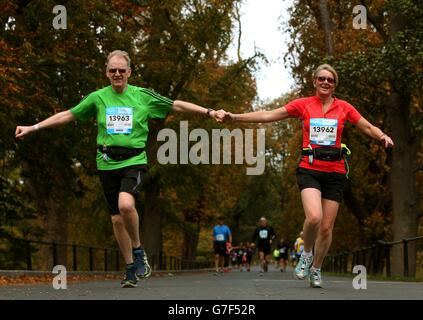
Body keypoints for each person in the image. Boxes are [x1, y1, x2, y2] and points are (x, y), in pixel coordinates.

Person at [15, 50, 222, 288]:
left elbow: (176, 105)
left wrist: (208, 111)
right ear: (106, 73)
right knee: (116, 219)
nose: (117, 74)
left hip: (133, 161)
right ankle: (130, 268)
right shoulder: (97, 98)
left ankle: (137, 250)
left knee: (126, 205)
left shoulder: (142, 96)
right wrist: (34, 127)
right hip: (106, 163)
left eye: (121, 70)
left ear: (129, 73)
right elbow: (68, 115)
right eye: (112, 70)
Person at [217, 64, 394, 288]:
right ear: (314, 81)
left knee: (327, 228)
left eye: (330, 80)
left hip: (335, 172)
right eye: (321, 78)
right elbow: (270, 114)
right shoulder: (304, 105)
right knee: (313, 217)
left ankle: (316, 269)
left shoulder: (344, 108)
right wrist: (235, 117)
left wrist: (382, 135)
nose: (326, 82)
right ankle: (307, 255)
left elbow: (366, 126)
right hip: (310, 169)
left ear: (335, 84)